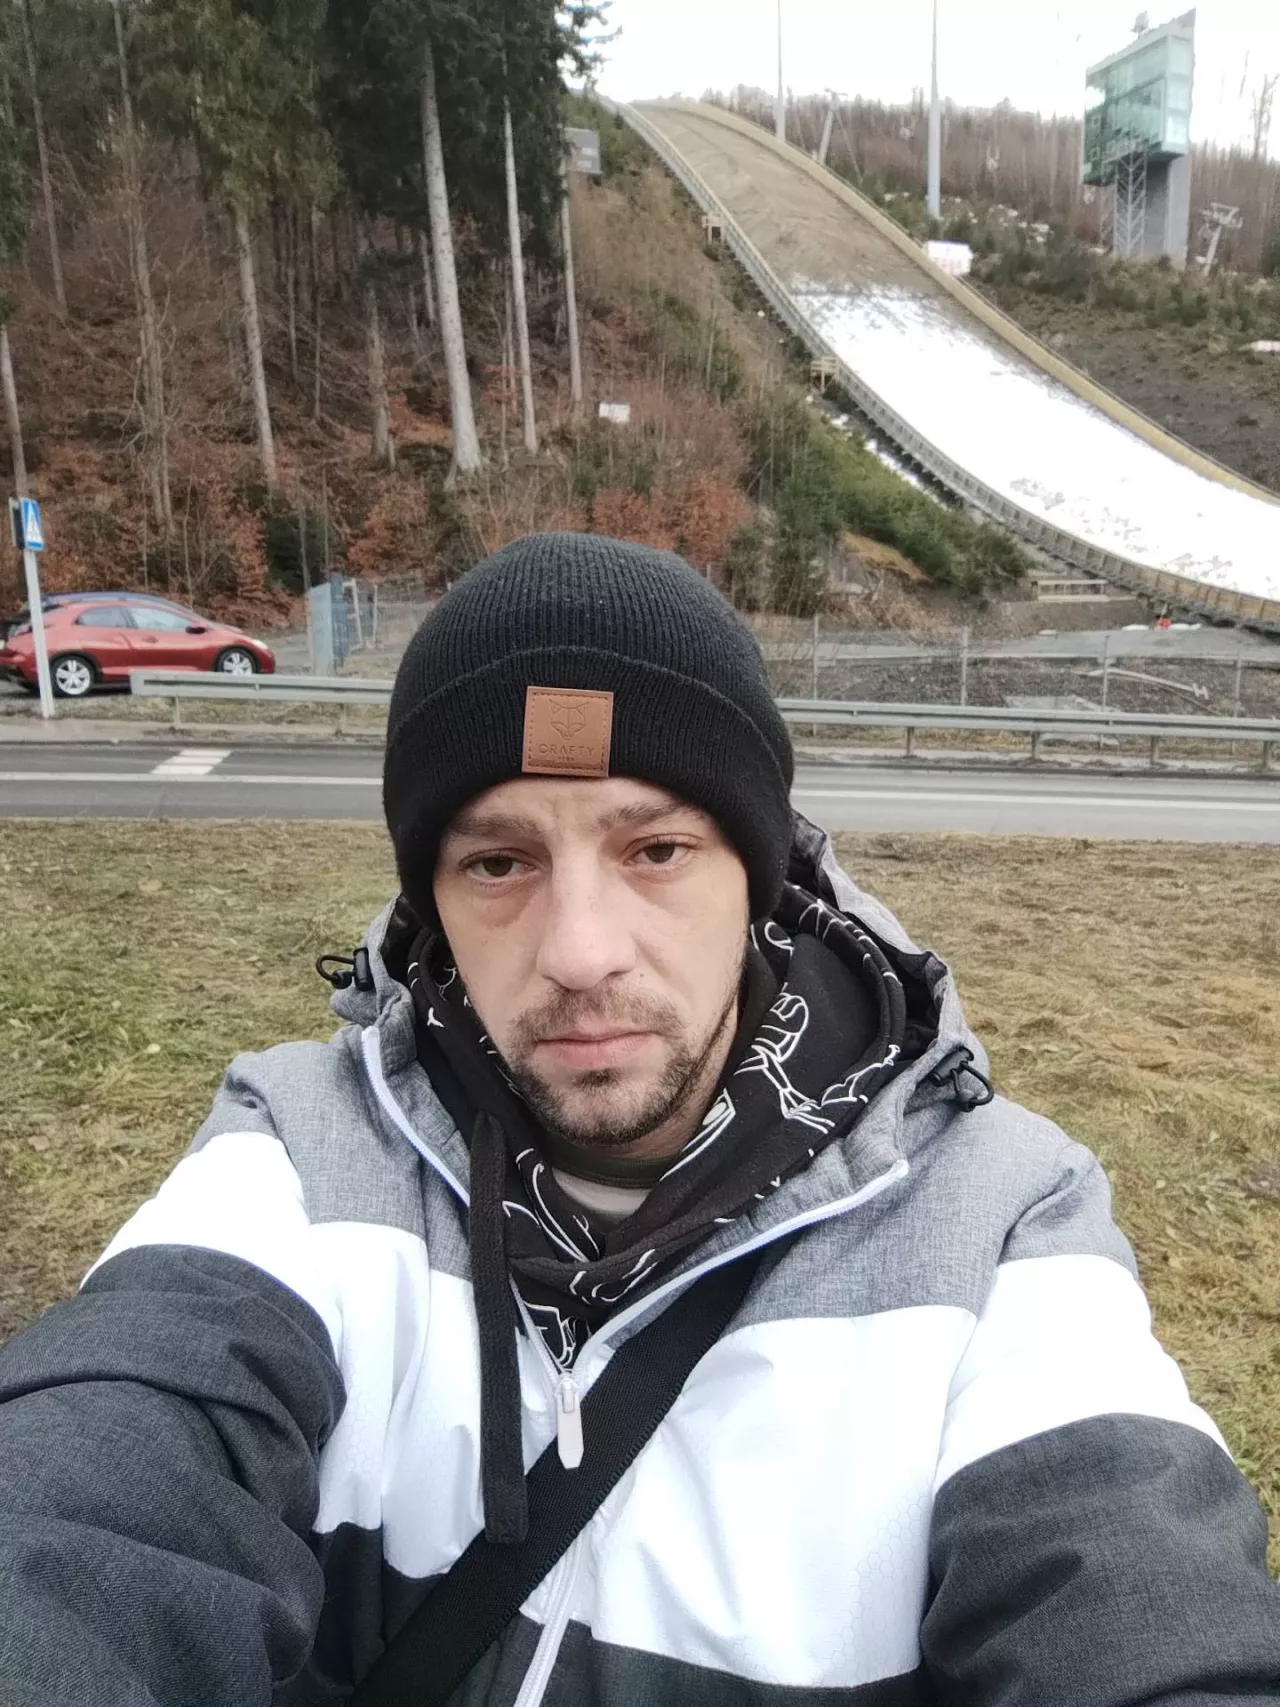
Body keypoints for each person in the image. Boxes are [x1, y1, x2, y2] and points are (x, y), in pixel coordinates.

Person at [0, 532, 1277, 1707]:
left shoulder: (992, 1222)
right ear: (431, 900)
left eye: (654, 850)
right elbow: (89, 1496)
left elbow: (1135, 1592)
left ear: (756, 877)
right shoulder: (305, 1153)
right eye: (497, 862)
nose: (578, 951)